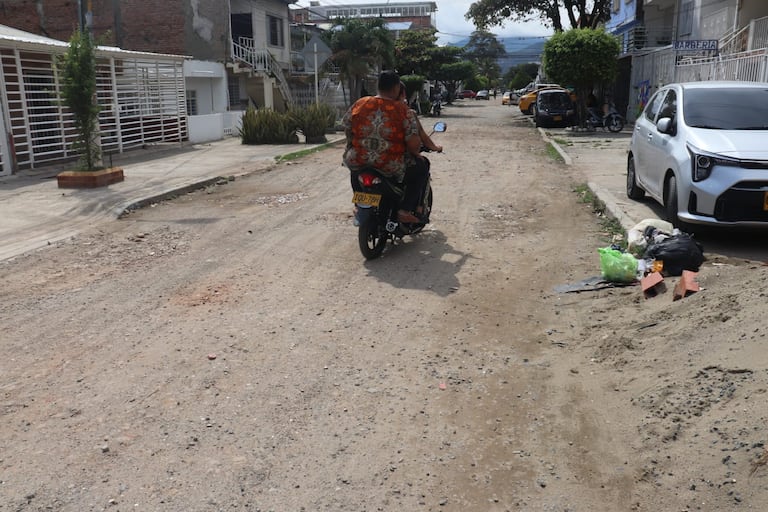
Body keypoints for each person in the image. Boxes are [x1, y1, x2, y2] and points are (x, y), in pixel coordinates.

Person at [343, 70, 425, 224]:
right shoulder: (402, 109)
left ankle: (359, 205)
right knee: (421, 167)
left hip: (359, 159)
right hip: (389, 165)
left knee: (354, 168)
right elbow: (413, 145)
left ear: (378, 86)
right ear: (396, 88)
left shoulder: (361, 103)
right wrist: (415, 151)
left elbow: (347, 126)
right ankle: (405, 210)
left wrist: (353, 145)